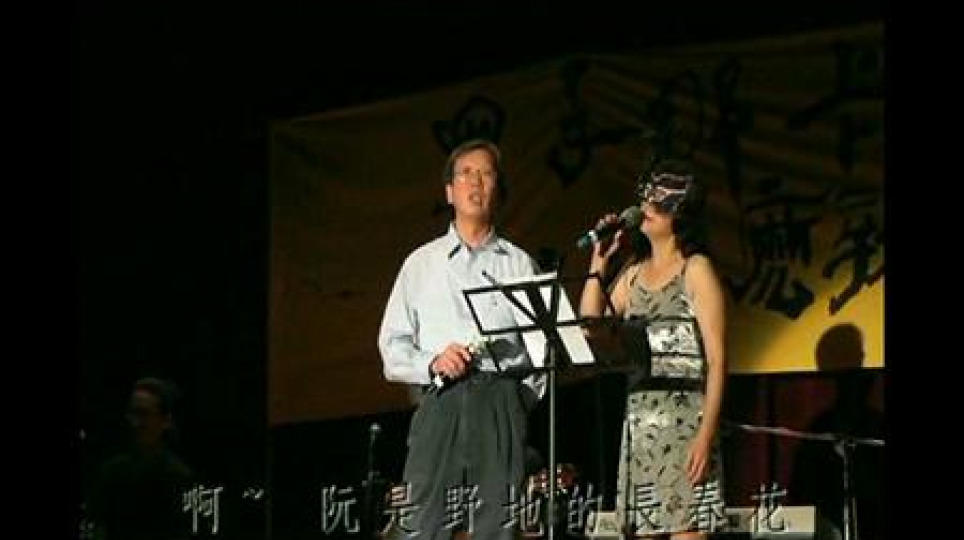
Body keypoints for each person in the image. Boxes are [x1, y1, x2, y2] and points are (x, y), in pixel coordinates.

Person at [378, 138, 544, 540]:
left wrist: (515, 404)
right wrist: (432, 363)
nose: (476, 182)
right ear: (449, 192)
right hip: (440, 400)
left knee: (496, 526)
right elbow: (392, 346)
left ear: (497, 189)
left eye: (486, 174)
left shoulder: (519, 264)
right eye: (466, 173)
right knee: (422, 525)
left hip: (499, 402)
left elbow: (544, 352)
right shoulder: (420, 264)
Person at [578, 158, 726, 539]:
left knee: (688, 530)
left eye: (657, 203)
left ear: (680, 215)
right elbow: (591, 327)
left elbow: (717, 360)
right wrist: (599, 263)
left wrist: (706, 435)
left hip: (685, 425)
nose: (645, 208)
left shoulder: (695, 269)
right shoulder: (633, 274)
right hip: (641, 427)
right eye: (645, 200)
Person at [86, 377, 194, 540]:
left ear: (165, 421)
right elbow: (98, 527)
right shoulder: (112, 472)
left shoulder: (179, 478)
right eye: (132, 413)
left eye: (143, 414)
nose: (134, 422)